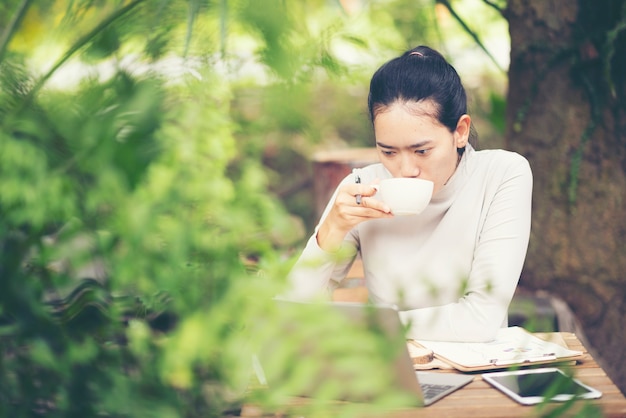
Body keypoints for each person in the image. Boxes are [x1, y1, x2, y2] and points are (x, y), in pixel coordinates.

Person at [284, 45, 532, 343]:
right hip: (387, 373)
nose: (405, 169)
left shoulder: (501, 175)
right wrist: (330, 233)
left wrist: (371, 327)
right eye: (388, 151)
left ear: (460, 131)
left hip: (476, 375)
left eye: (422, 150)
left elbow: (480, 320)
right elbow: (291, 314)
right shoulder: (363, 186)